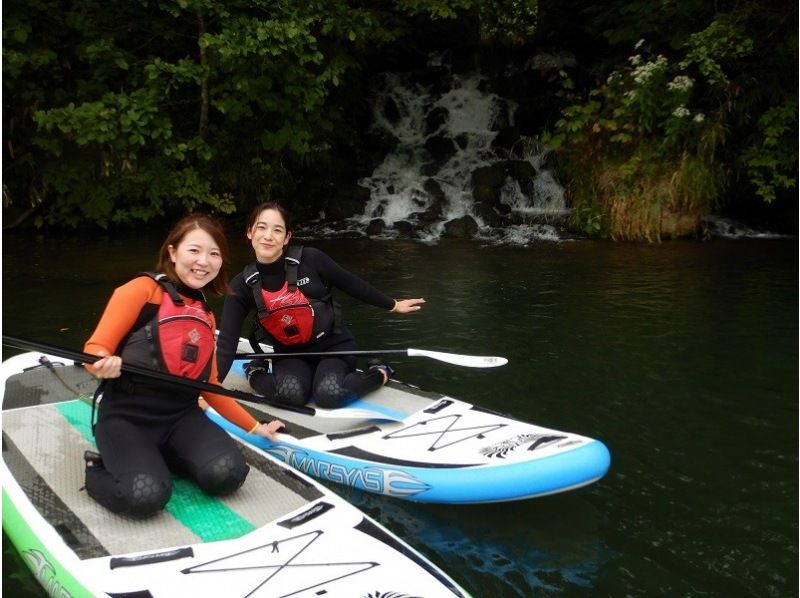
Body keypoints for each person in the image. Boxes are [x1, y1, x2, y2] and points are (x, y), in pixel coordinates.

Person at [83, 213, 284, 519]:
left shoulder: (204, 314)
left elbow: (211, 385)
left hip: (180, 417)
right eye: (194, 250)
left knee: (228, 474)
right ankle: (97, 468)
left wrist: (256, 427)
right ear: (173, 252)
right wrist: (100, 364)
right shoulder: (140, 291)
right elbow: (94, 349)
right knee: (145, 496)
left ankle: (164, 456)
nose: (204, 261)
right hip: (126, 418)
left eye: (214, 254)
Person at [216, 201, 424, 408]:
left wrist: (393, 305)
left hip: (334, 346)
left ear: (287, 237)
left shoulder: (311, 259)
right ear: (250, 232)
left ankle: (380, 372)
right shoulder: (241, 285)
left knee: (329, 394)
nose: (268, 236)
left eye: (277, 230)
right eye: (261, 227)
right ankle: (255, 372)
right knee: (291, 395)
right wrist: (209, 390)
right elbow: (226, 344)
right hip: (289, 354)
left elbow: (353, 285)